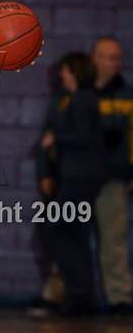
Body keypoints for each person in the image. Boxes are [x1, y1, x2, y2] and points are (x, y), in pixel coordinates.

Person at [37, 52, 106, 315]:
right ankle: (81, 297)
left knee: (56, 229)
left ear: (75, 72)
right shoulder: (70, 98)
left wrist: (56, 137)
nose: (62, 75)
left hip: (82, 176)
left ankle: (79, 293)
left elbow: (84, 136)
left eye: (66, 70)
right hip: (75, 175)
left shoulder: (83, 99)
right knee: (75, 235)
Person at [92, 37, 133, 315]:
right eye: (107, 56)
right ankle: (60, 294)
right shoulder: (78, 91)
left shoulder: (126, 94)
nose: (113, 63)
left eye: (117, 57)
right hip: (76, 179)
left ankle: (120, 298)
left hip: (113, 180)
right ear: (95, 58)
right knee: (66, 237)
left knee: (114, 240)